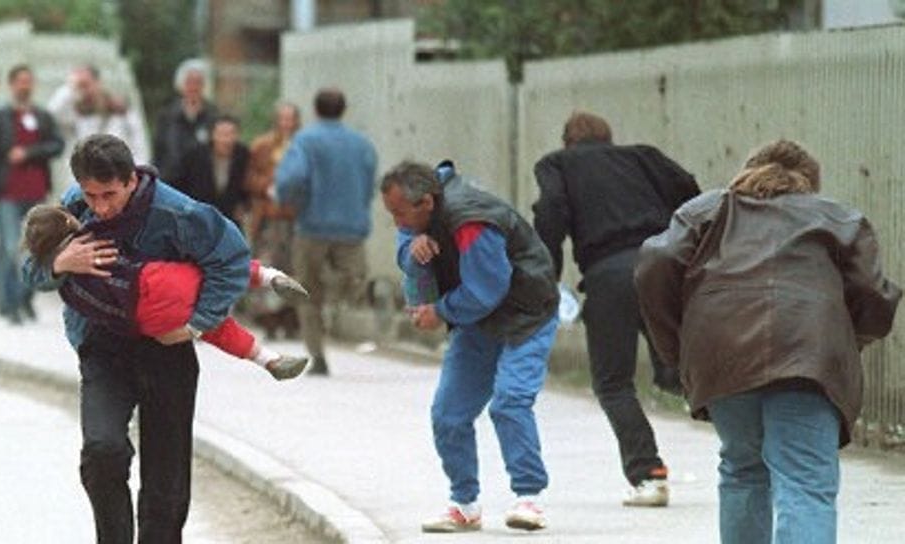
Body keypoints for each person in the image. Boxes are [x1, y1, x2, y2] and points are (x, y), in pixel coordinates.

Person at [635, 140, 901, 544]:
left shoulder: (706, 212)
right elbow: (874, 295)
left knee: (743, 469)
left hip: (721, 355)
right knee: (804, 480)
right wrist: (847, 340)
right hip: (809, 357)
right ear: (808, 184)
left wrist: (679, 345)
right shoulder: (838, 218)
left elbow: (654, 265)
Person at [22, 133, 245, 542]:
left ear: (130, 180)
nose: (101, 207)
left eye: (110, 194)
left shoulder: (178, 212)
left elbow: (232, 260)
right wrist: (58, 263)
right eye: (92, 196)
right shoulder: (73, 205)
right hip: (102, 348)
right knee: (102, 452)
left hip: (166, 348)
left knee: (166, 483)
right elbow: (29, 270)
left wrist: (198, 323)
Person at [531, 110, 700, 507]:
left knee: (613, 382)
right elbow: (691, 192)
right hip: (662, 267)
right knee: (678, 370)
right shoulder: (642, 156)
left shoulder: (557, 163)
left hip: (610, 276)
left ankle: (648, 474)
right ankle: (751, 447)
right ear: (608, 138)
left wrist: (548, 276)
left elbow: (551, 212)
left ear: (567, 141)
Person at [382, 160, 559, 533]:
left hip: (526, 313)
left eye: (400, 213)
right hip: (478, 322)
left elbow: (486, 289)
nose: (396, 222)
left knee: (510, 401)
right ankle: (464, 504)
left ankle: (529, 498)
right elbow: (404, 247)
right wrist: (412, 249)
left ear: (426, 202)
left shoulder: (470, 220)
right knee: (448, 414)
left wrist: (440, 312)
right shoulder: (420, 214)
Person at [22, 203, 309, 380]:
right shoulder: (97, 229)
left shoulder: (70, 285)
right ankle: (267, 275)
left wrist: (58, 265)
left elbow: (31, 271)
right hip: (153, 279)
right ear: (66, 218)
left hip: (145, 318)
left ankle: (268, 359)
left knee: (217, 330)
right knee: (203, 274)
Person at [276, 88, 377, 375]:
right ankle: (336, 301)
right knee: (355, 277)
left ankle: (317, 355)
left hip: (312, 226)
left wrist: (289, 201)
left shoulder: (305, 141)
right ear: (344, 110)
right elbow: (370, 184)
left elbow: (292, 178)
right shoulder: (362, 144)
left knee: (307, 290)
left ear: (316, 110)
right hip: (351, 226)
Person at [0, 64, 64, 324]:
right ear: (11, 85)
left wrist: (29, 153)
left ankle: (25, 299)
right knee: (9, 248)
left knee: (37, 248)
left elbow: (57, 145)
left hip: (36, 191)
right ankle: (9, 305)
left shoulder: (42, 116)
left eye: (28, 81)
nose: (24, 86)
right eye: (20, 81)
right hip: (5, 192)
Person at [246, 102, 301, 339]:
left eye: (290, 119)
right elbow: (248, 178)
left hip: (296, 217)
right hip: (268, 217)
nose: (286, 123)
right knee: (268, 265)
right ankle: (268, 315)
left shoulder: (303, 146)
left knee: (294, 266)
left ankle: (290, 314)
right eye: (282, 118)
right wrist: (266, 185)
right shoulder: (262, 146)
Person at [48, 64, 150, 163]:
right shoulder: (75, 112)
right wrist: (70, 87)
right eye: (80, 86)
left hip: (121, 171)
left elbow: (140, 143)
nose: (84, 90)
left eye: (86, 84)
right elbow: (51, 115)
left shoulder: (119, 107)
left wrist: (138, 169)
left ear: (97, 82)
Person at [173, 114, 250, 225]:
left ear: (237, 135)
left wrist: (243, 205)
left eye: (231, 134)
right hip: (199, 218)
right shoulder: (195, 156)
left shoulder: (243, 155)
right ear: (213, 135)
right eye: (222, 134)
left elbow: (249, 185)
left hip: (230, 221)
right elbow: (179, 183)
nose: (226, 140)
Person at [153, 58, 217, 183]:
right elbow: (158, 151)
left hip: (200, 183)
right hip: (171, 180)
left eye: (198, 83)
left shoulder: (213, 116)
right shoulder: (167, 114)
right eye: (189, 82)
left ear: (205, 86)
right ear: (181, 84)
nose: (193, 87)